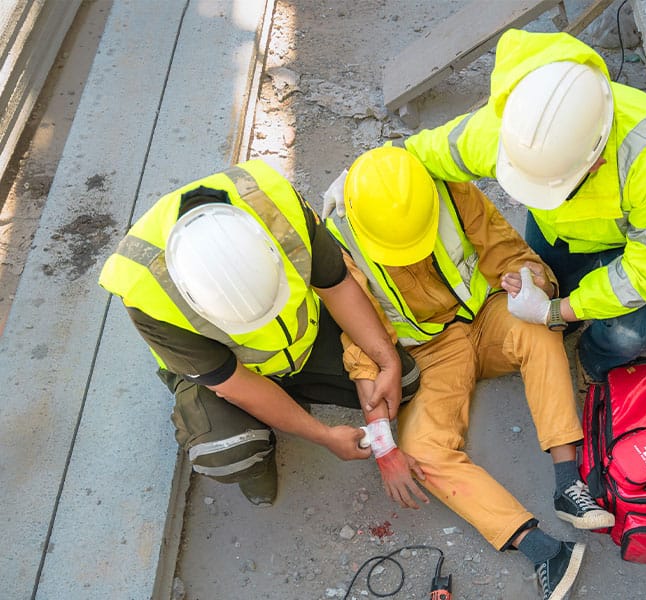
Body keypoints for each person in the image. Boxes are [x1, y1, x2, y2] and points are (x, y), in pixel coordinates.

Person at [324, 146, 615, 600]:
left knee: (540, 333)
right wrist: (382, 443)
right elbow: (360, 348)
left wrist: (531, 283)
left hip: (487, 314)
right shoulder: (339, 245)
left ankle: (567, 483)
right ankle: (542, 550)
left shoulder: (447, 189)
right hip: (431, 351)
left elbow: (509, 252)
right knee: (419, 450)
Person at [98, 159, 426, 508]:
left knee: (403, 381)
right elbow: (236, 384)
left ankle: (290, 399)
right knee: (226, 452)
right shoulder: (144, 290)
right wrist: (324, 435)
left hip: (305, 339)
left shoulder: (274, 206)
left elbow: (338, 286)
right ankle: (257, 452)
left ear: (269, 250)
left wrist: (385, 360)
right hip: (225, 375)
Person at [400, 29, 646, 385]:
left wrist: (554, 311)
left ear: (596, 163)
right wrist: (368, 174)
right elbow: (429, 152)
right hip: (556, 230)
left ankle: (593, 361)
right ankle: (560, 327)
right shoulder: (513, 129)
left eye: (549, 186)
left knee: (630, 333)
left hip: (630, 241)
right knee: (550, 280)